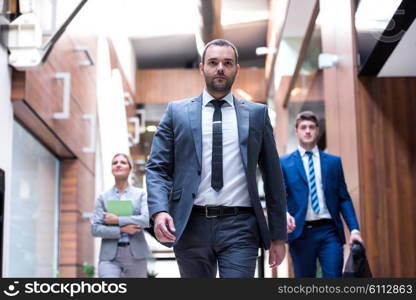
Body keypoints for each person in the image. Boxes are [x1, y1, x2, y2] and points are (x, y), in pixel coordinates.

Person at [146, 39, 287, 278]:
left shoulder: (257, 114)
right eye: (213, 62)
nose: (220, 68)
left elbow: (274, 178)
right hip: (191, 225)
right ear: (202, 67)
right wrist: (159, 211)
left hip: (241, 226)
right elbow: (157, 168)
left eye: (227, 62)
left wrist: (278, 235)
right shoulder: (176, 112)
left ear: (236, 69)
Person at [281, 111, 363, 277]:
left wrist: (354, 229)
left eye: (311, 127)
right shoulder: (284, 163)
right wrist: (284, 213)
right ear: (296, 131)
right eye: (303, 127)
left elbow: (344, 198)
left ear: (317, 130)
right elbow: (279, 197)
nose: (308, 131)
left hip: (329, 231)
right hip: (301, 233)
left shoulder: (333, 162)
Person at [91, 153, 150, 278]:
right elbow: (95, 229)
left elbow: (145, 220)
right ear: (112, 169)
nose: (118, 164)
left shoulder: (141, 195)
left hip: (136, 254)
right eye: (114, 163)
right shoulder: (103, 197)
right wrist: (122, 229)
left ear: (130, 169)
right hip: (109, 255)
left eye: (123, 162)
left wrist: (117, 219)